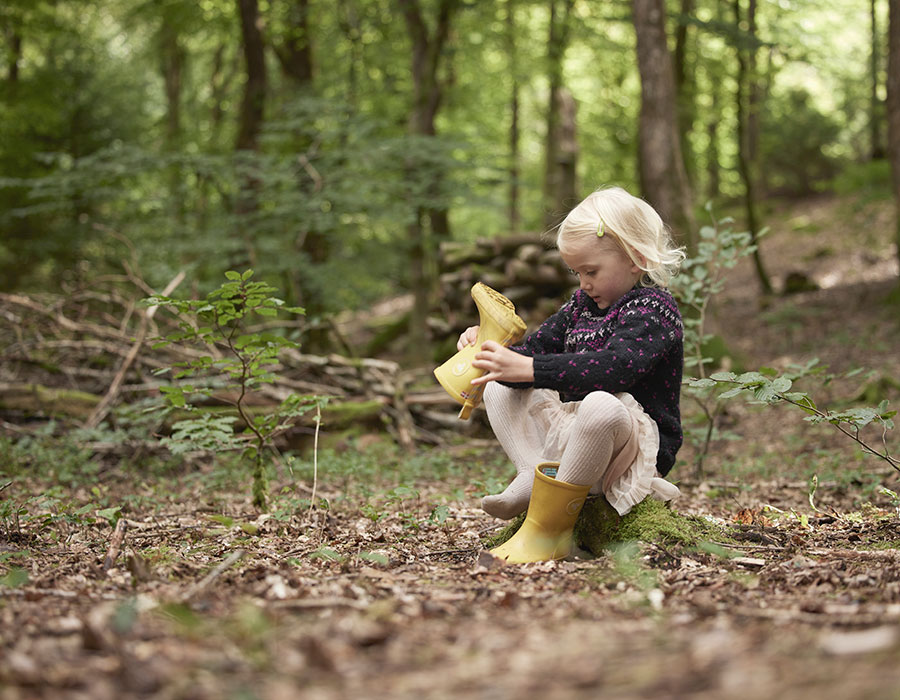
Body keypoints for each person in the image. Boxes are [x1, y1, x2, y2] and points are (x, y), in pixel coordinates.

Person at [457, 186, 685, 563]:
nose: (583, 284)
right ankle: (532, 471)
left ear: (636, 258)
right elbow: (532, 352)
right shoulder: (581, 306)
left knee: (601, 404)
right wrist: (491, 352)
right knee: (500, 382)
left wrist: (529, 368)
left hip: (628, 453)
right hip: (576, 444)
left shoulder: (654, 309)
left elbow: (616, 369)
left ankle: (549, 531)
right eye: (577, 272)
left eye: (591, 271)